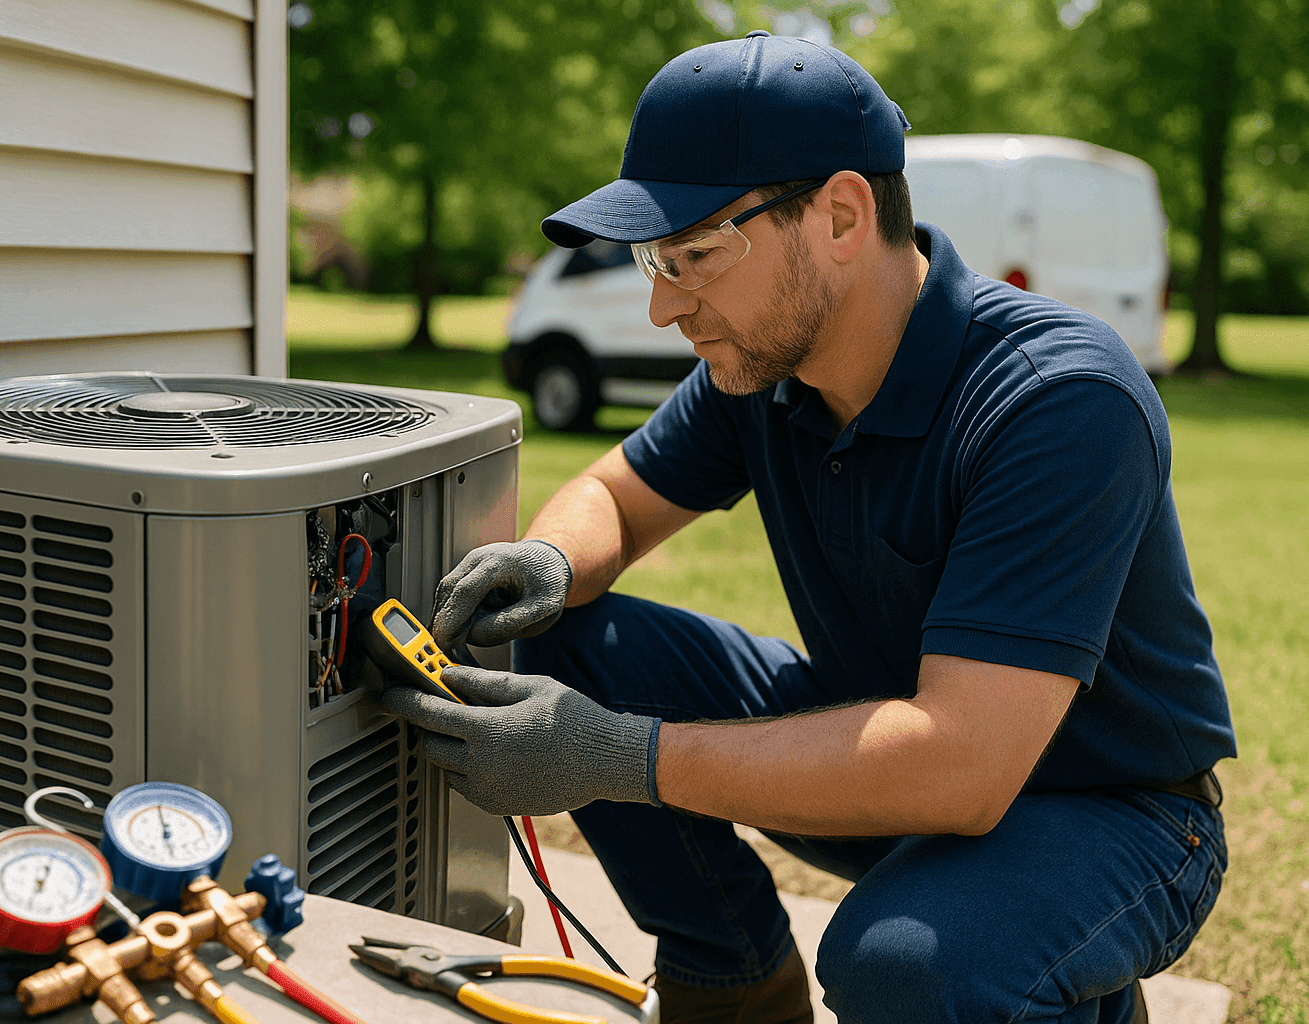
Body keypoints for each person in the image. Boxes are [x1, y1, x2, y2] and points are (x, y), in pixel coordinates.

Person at [379, 31, 1233, 1024]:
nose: (662, 306)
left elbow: (960, 764)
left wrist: (620, 757)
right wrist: (548, 558)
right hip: (884, 739)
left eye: (694, 254)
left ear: (839, 214)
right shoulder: (765, 365)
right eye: (655, 260)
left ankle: (1057, 974)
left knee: (904, 964)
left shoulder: (1058, 398)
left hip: (1111, 811)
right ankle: (736, 983)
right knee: (562, 623)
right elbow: (615, 496)